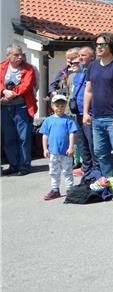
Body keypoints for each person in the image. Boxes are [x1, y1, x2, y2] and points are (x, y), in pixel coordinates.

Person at [83, 33, 113, 199]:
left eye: (102, 45)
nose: (98, 47)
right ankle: (111, 184)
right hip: (96, 117)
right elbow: (88, 91)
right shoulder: (92, 66)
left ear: (110, 46)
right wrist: (85, 113)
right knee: (100, 153)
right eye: (96, 44)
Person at [1, 44, 37, 176]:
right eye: (16, 55)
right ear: (9, 56)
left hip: (22, 107)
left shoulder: (29, 69)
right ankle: (13, 165)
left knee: (24, 138)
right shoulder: (2, 67)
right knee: (9, 138)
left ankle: (24, 166)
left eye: (21, 54)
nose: (20, 57)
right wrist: (4, 91)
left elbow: (26, 85)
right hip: (4, 108)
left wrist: (11, 94)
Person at [40, 94, 78, 200]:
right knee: (53, 171)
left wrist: (71, 147)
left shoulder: (68, 120)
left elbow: (72, 134)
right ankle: (55, 190)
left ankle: (70, 190)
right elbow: (45, 135)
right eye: (57, 106)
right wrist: (45, 149)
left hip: (66, 152)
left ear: (65, 106)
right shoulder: (48, 120)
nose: (59, 109)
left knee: (68, 171)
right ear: (52, 106)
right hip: (53, 152)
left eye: (62, 106)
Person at [69, 46, 96, 175]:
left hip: (90, 114)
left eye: (83, 55)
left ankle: (97, 168)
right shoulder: (78, 75)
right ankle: (86, 167)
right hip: (77, 113)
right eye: (79, 55)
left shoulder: (96, 72)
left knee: (93, 143)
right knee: (81, 142)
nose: (80, 58)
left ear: (92, 57)